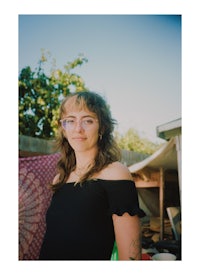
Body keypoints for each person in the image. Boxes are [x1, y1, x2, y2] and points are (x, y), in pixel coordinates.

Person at [39, 91, 144, 260]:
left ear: (102, 127)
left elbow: (130, 257)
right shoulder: (59, 179)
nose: (78, 129)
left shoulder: (116, 174)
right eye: (70, 121)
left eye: (87, 120)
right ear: (63, 129)